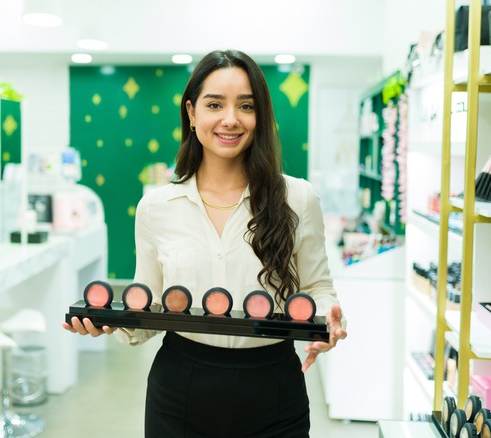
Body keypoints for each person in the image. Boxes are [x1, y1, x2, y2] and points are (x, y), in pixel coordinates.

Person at [62, 49, 346, 438]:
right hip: (180, 387)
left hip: (274, 386)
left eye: (245, 106)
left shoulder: (297, 198)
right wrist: (112, 324)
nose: (231, 119)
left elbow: (318, 287)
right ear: (192, 113)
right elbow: (153, 302)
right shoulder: (156, 207)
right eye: (215, 104)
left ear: (259, 116)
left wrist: (329, 318)